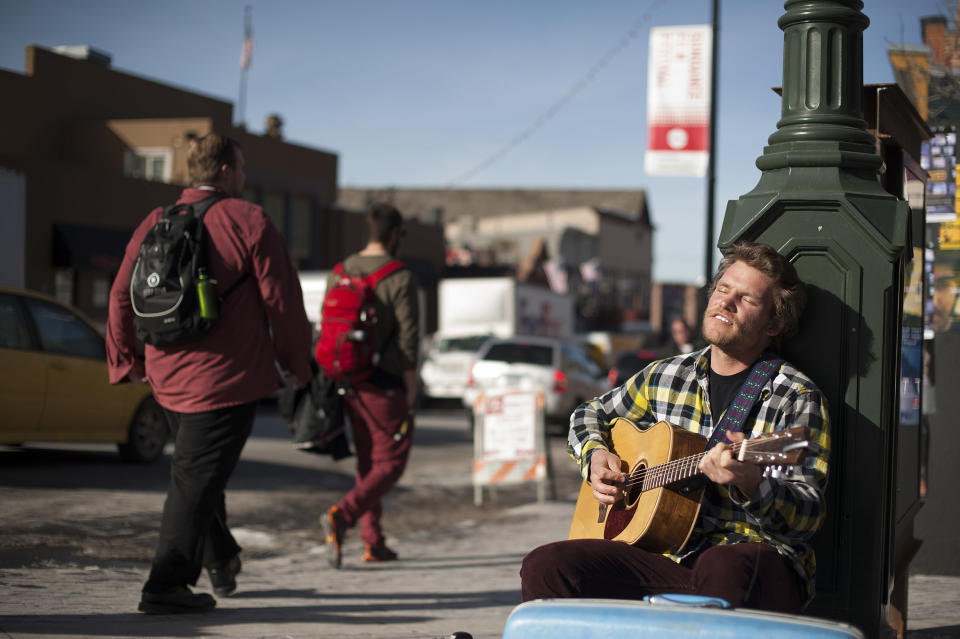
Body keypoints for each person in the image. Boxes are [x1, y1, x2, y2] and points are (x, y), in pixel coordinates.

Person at [521, 241, 831, 614]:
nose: (725, 302)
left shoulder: (795, 397)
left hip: (754, 562)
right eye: (722, 289)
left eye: (746, 299)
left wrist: (753, 483)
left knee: (722, 566)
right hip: (667, 556)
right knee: (548, 565)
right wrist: (596, 456)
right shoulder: (666, 376)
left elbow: (807, 518)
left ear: (775, 323)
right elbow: (588, 414)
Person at [107, 133, 312, 614]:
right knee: (194, 481)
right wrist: (297, 364)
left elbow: (120, 296)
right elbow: (283, 304)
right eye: (240, 168)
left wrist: (126, 360)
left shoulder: (154, 221)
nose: (243, 177)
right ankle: (165, 584)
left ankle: (221, 560)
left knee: (199, 473)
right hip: (225, 381)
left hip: (165, 377)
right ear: (224, 171)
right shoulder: (248, 219)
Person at [321, 203, 420, 568]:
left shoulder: (341, 270)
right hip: (385, 383)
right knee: (392, 461)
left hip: (348, 380)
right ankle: (342, 516)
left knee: (368, 462)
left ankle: (373, 541)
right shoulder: (400, 276)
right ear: (394, 235)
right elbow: (408, 342)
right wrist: (411, 390)